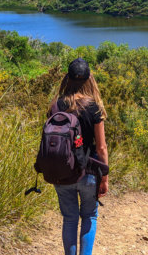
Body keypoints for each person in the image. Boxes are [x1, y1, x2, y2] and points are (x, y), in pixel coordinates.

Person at [50, 58, 108, 255]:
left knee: (69, 219)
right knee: (90, 215)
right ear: (89, 79)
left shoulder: (56, 105)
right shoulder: (94, 107)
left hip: (62, 171)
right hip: (89, 172)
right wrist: (105, 177)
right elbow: (101, 148)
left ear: (67, 78)